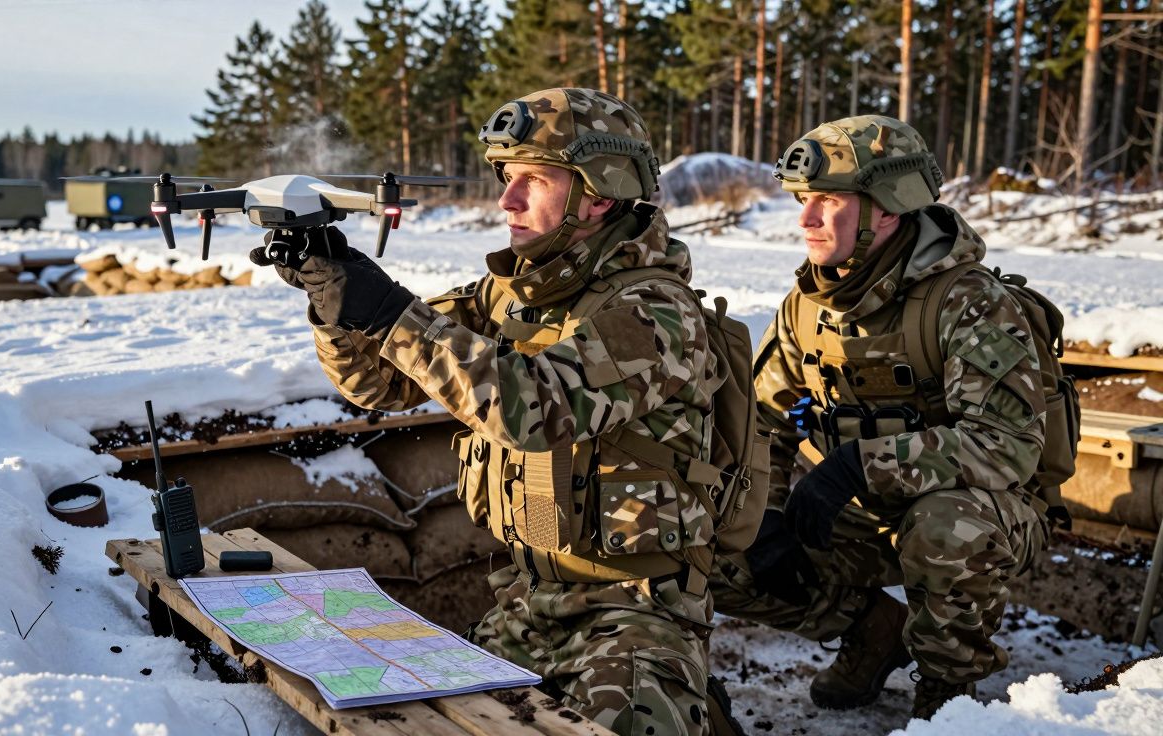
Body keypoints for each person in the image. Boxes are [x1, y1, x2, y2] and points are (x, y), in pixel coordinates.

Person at [261, 88, 745, 735]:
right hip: (527, 600)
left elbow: (535, 409)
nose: (506, 200)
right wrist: (335, 299)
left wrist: (387, 311)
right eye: (506, 176)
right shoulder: (510, 294)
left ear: (597, 195)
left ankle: (689, 704)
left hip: (636, 610)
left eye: (533, 179)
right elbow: (377, 383)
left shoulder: (655, 311)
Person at [710, 115, 1051, 721]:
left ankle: (951, 701)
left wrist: (854, 467)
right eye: (803, 200)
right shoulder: (806, 305)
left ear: (888, 210)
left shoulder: (969, 302)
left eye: (828, 201)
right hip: (857, 515)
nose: (806, 219)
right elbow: (764, 419)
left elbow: (1006, 445)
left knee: (945, 528)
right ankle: (874, 632)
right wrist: (765, 509)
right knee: (717, 543)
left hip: (983, 514)